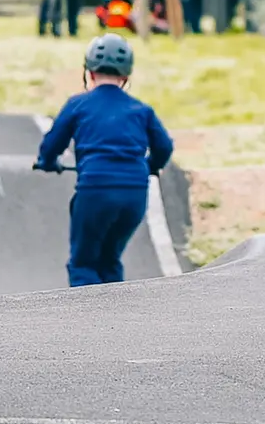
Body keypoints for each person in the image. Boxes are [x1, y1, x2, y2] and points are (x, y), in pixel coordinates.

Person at [34, 34, 175, 286]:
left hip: (95, 191)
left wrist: (47, 161)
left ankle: (89, 323)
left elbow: (52, 144)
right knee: (110, 259)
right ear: (126, 77)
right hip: (134, 195)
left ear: (88, 71)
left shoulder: (78, 104)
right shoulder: (141, 110)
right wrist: (149, 167)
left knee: (83, 263)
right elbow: (164, 147)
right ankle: (116, 321)